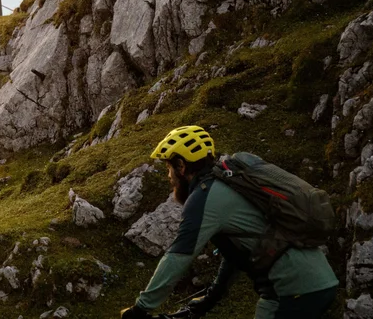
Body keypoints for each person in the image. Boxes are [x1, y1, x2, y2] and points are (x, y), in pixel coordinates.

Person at [120, 126, 338, 319]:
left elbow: (179, 255)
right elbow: (235, 255)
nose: (169, 176)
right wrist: (209, 300)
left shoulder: (204, 197)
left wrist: (141, 309)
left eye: (169, 168)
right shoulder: (224, 185)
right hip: (306, 285)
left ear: (181, 165)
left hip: (295, 289)